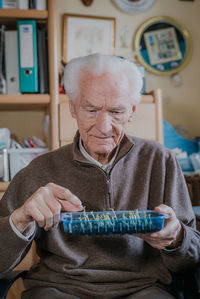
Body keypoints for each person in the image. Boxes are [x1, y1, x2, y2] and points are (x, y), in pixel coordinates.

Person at [0, 53, 199, 299]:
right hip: (60, 288)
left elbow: (193, 257)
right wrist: (20, 219)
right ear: (73, 108)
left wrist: (176, 237)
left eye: (116, 111)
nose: (104, 127)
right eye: (91, 110)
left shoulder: (161, 160)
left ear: (132, 111)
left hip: (144, 288)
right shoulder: (38, 170)